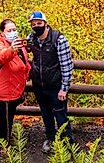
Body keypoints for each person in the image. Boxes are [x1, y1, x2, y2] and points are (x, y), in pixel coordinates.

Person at [26, 11, 73, 153]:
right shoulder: (31, 38)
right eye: (33, 24)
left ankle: (67, 141)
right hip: (39, 85)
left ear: (45, 24)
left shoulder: (59, 39)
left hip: (56, 85)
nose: (36, 26)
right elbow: (23, 51)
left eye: (39, 23)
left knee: (60, 114)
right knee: (46, 114)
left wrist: (64, 88)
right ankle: (50, 138)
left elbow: (67, 65)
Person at [0, 19, 30, 143]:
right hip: (2, 95)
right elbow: (1, 56)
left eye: (14, 29)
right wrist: (12, 49)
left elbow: (24, 62)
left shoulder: (18, 43)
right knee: (6, 121)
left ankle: (5, 142)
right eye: (9, 30)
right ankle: (5, 148)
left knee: (7, 119)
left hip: (13, 91)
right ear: (2, 33)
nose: (13, 32)